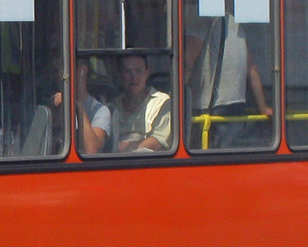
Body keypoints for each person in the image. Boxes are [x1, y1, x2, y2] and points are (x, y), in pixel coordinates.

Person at [183, 14, 272, 149]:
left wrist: (173, 98)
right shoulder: (237, 27)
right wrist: (263, 108)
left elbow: (187, 62)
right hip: (237, 103)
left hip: (208, 106)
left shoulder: (203, 23)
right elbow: (252, 69)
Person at [110, 53, 171, 153]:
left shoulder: (162, 102)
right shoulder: (113, 105)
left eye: (139, 71)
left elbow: (158, 140)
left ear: (147, 73)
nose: (134, 78)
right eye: (127, 71)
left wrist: (128, 150)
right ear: (120, 75)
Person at [73, 59, 111, 154]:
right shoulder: (50, 104)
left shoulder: (100, 111)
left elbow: (91, 150)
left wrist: (77, 104)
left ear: (83, 71)